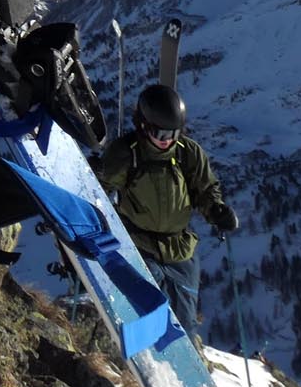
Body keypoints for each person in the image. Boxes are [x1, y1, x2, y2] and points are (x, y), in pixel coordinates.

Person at [93, 82, 237, 343]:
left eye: (173, 132)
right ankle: (142, 353)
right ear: (143, 125)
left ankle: (179, 359)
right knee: (148, 307)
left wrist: (216, 210)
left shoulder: (188, 153)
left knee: (184, 322)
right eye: (160, 132)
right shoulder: (127, 153)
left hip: (180, 249)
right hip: (139, 244)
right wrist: (94, 179)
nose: (167, 139)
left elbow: (205, 189)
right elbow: (100, 190)